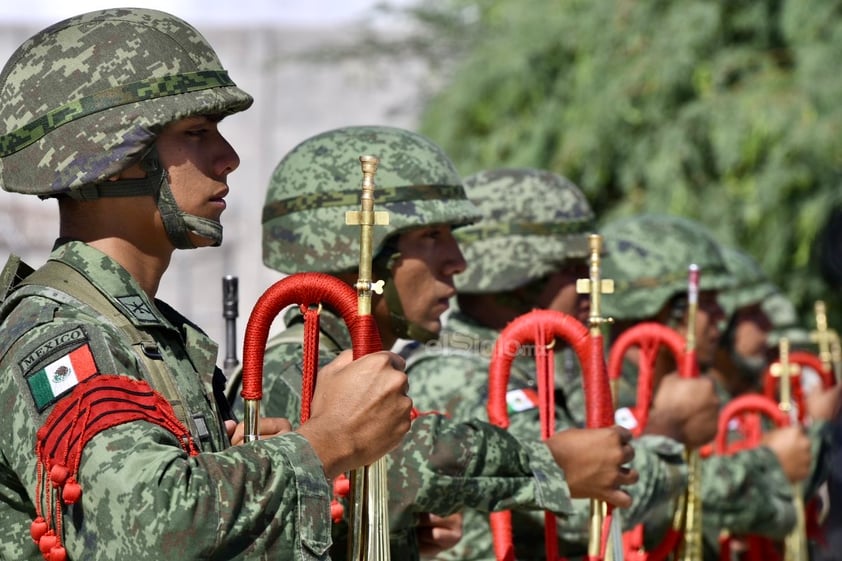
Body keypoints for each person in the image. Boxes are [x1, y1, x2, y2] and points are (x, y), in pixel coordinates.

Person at [0, 9, 413, 561]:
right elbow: (149, 532)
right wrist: (330, 441)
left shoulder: (151, 334)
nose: (229, 159)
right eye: (196, 133)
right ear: (112, 161)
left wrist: (246, 464)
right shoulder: (59, 336)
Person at [230, 127, 638, 560]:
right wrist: (552, 464)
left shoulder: (357, 360)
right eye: (431, 237)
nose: (457, 262)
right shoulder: (297, 364)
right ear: (359, 250)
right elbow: (415, 455)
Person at [406, 168, 719, 560]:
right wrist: (670, 427)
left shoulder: (535, 363)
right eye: (572, 270)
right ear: (516, 278)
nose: (590, 283)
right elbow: (588, 508)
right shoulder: (458, 375)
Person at [598, 213, 810, 560]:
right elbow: (640, 503)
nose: (720, 319)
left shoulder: (698, 392)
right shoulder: (605, 399)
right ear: (664, 308)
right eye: (706, 302)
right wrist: (769, 464)